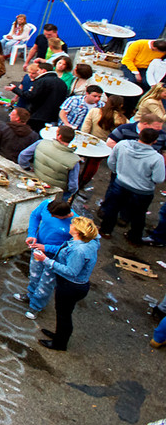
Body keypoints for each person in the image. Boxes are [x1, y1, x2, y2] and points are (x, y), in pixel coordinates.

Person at [36, 216, 101, 350]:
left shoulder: (78, 250)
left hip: (70, 287)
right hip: (75, 286)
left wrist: (46, 260)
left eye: (73, 225)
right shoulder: (91, 242)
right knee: (63, 313)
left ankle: (60, 343)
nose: (70, 226)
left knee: (63, 315)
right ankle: (59, 335)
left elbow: (71, 271)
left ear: (77, 232)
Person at [99, 126, 165, 243]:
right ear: (154, 141)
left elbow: (111, 162)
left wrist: (118, 173)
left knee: (112, 208)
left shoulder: (122, 145)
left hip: (120, 184)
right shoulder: (156, 158)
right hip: (142, 192)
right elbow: (159, 178)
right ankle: (134, 237)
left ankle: (105, 231)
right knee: (138, 215)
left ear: (139, 135)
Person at [20, 196, 74, 316]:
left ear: (64, 215)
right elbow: (35, 216)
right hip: (38, 249)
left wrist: (46, 248)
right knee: (34, 275)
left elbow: (71, 248)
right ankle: (30, 295)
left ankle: (36, 306)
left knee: (46, 283)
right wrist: (32, 234)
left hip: (56, 257)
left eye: (55, 216)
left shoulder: (76, 223)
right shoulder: (46, 204)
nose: (51, 217)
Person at [18, 124, 82, 194]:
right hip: (55, 192)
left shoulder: (41, 142)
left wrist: (28, 168)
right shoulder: (74, 161)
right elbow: (73, 186)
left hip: (36, 181)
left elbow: (23, 156)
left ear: (59, 136)